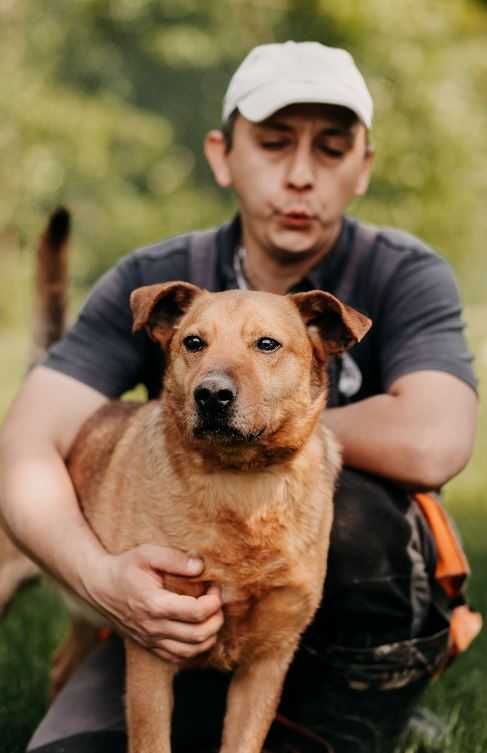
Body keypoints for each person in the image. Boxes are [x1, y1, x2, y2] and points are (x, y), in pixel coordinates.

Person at [0, 41, 478, 753]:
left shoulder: (404, 273)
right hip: (164, 587)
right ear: (223, 154)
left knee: (359, 504)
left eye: (330, 148)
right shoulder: (161, 276)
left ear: (363, 167)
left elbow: (436, 438)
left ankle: (363, 705)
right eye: (274, 142)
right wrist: (102, 580)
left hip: (342, 585)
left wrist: (280, 432)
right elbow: (25, 447)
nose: (297, 174)